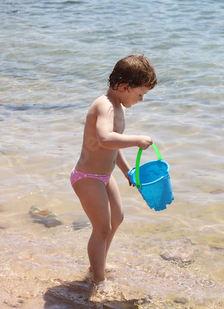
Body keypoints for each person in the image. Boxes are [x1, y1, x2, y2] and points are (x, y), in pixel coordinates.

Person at [70, 54, 158, 285]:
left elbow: (113, 147)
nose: (141, 100)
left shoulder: (119, 107)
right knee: (102, 228)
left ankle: (97, 263)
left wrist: (128, 171)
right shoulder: (105, 106)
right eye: (140, 94)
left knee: (117, 218)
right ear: (124, 86)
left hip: (104, 176)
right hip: (87, 177)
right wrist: (136, 139)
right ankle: (98, 278)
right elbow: (104, 139)